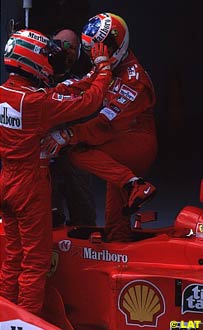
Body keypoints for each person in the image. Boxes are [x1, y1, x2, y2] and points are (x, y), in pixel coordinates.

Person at [0, 28, 112, 315]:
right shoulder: (37, 104)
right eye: (45, 55)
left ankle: (6, 316)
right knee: (35, 263)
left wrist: (83, 81)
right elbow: (90, 102)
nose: (50, 60)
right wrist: (103, 68)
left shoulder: (7, 93)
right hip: (29, 186)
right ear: (33, 59)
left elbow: (56, 93)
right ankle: (25, 321)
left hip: (6, 181)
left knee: (12, 258)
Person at [42, 13, 158, 242]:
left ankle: (135, 184)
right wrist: (46, 95)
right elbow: (81, 85)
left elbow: (104, 124)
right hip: (119, 141)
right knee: (115, 221)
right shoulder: (109, 66)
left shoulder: (135, 80)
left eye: (99, 49)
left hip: (136, 143)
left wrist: (68, 134)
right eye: (92, 51)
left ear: (114, 44)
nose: (96, 56)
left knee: (77, 152)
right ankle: (130, 194)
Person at [50, 29, 97, 227]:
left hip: (73, 143)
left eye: (72, 49)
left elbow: (92, 99)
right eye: (63, 47)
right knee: (48, 204)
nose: (67, 53)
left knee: (81, 202)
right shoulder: (40, 71)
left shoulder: (84, 73)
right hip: (46, 145)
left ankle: (85, 233)